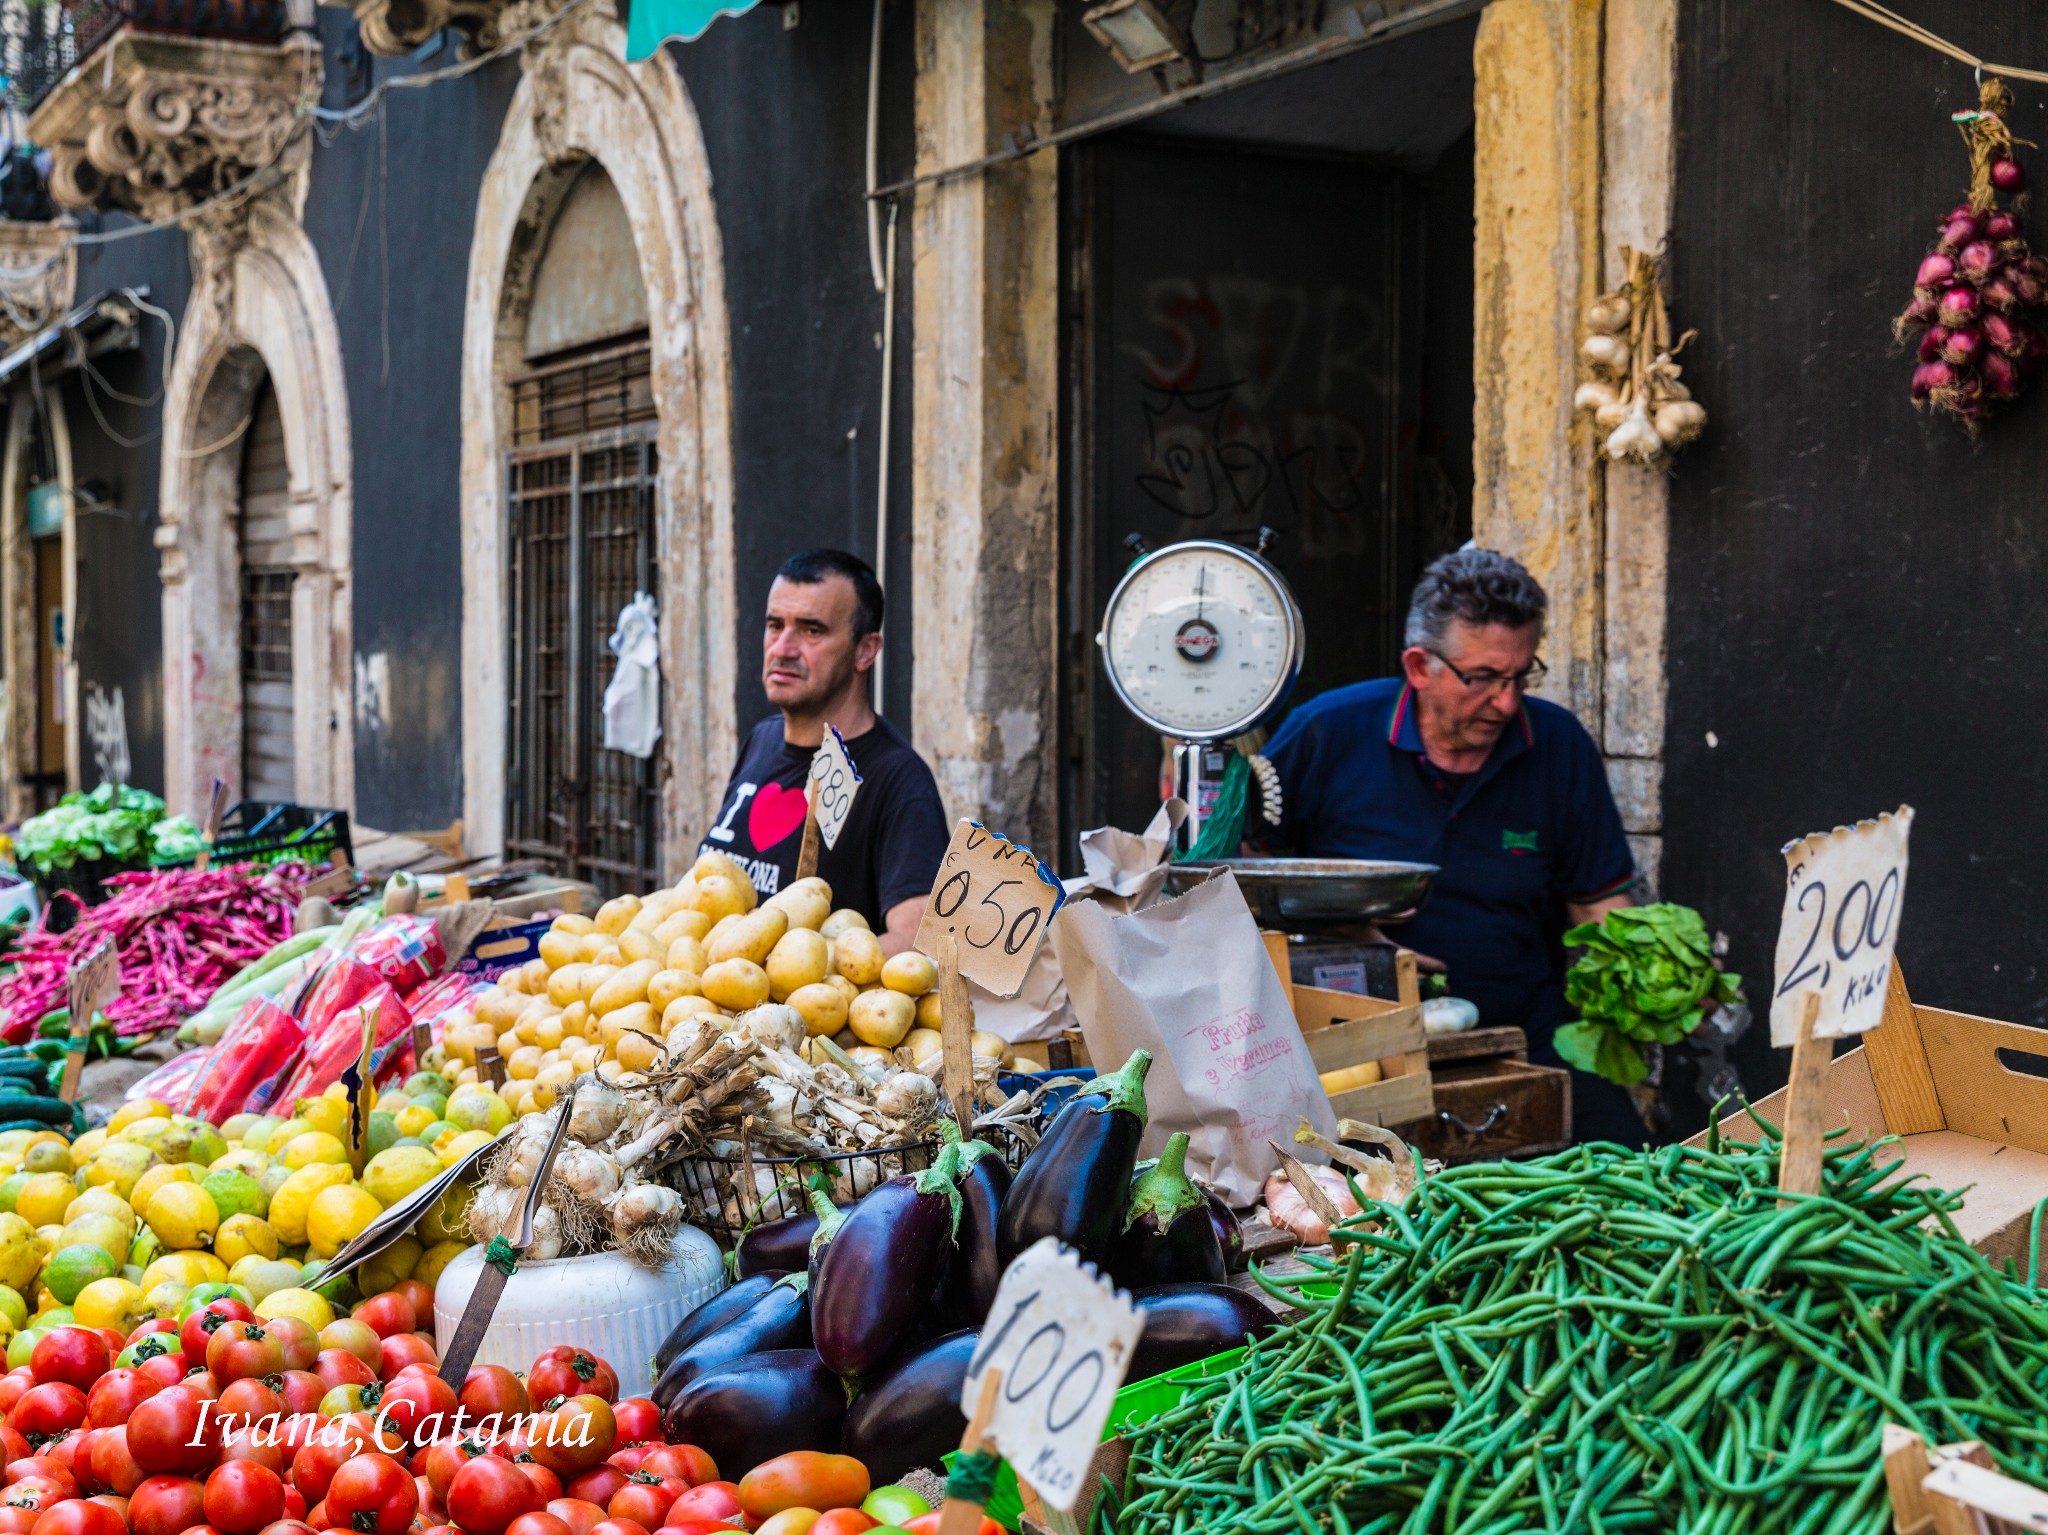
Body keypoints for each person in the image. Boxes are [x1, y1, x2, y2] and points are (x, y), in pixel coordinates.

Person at [1261, 547, 1642, 1142]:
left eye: (1521, 676)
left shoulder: (1558, 744)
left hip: (1525, 1032)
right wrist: (1344, 933)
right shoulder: (1326, 732)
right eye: (1484, 678)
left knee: (1631, 1159)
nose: (1508, 702)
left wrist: (1657, 977)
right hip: (1359, 1042)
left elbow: (1600, 904)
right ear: (1419, 666)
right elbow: (1242, 872)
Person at [698, 549, 949, 954]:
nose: (783, 648)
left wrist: (800, 970)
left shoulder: (898, 779)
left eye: (811, 630)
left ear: (865, 650)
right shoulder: (761, 740)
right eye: (774, 625)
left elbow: (917, 943)